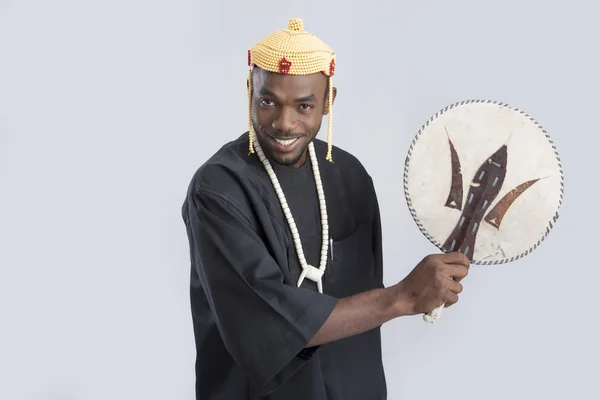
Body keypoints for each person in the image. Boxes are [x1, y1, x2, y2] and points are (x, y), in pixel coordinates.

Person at [181, 18, 470, 400]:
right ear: (250, 91)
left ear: (329, 102)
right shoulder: (218, 190)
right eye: (268, 101)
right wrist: (404, 297)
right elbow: (270, 324)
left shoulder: (350, 176)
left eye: (304, 105)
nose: (284, 123)